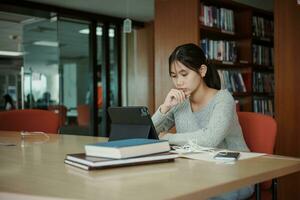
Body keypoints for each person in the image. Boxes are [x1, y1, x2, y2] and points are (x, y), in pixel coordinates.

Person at [152, 43, 253, 200]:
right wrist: (164, 108)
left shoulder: (223, 99)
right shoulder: (179, 102)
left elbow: (210, 139)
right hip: (196, 172)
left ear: (202, 71)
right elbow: (147, 132)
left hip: (235, 173)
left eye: (184, 74)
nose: (178, 82)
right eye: (174, 76)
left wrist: (166, 138)